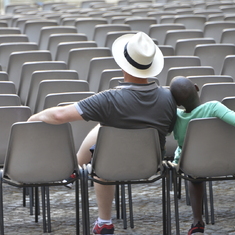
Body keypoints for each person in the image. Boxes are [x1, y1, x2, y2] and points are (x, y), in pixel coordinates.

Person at [28, 32, 177, 234]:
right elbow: (168, 128)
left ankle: (104, 220)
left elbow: (60, 115)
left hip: (110, 166)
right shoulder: (169, 97)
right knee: (105, 128)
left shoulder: (108, 99)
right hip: (151, 164)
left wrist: (32, 118)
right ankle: (77, 166)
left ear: (123, 65)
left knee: (104, 141)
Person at [169, 76, 235, 235]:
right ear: (197, 88)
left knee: (194, 175)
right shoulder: (213, 107)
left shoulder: (175, 116)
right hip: (229, 161)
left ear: (177, 103)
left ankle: (197, 221)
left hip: (194, 166)